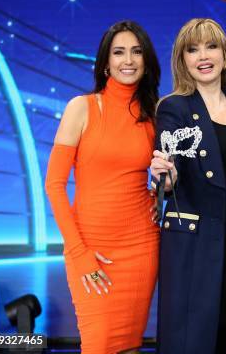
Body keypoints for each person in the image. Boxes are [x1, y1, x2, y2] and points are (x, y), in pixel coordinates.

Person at [150, 18, 226, 353]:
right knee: (194, 337)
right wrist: (165, 177)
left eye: (211, 46)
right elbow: (169, 173)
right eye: (192, 49)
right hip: (196, 244)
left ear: (225, 55)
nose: (203, 55)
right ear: (182, 60)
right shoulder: (174, 107)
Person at [45, 20, 161, 353]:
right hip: (91, 247)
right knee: (97, 345)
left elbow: (162, 169)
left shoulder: (154, 113)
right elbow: (54, 185)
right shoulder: (81, 108)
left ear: (146, 59)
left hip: (141, 245)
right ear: (105, 62)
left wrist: (158, 195)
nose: (128, 60)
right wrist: (79, 253)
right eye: (119, 52)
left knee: (130, 346)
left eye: (136, 52)